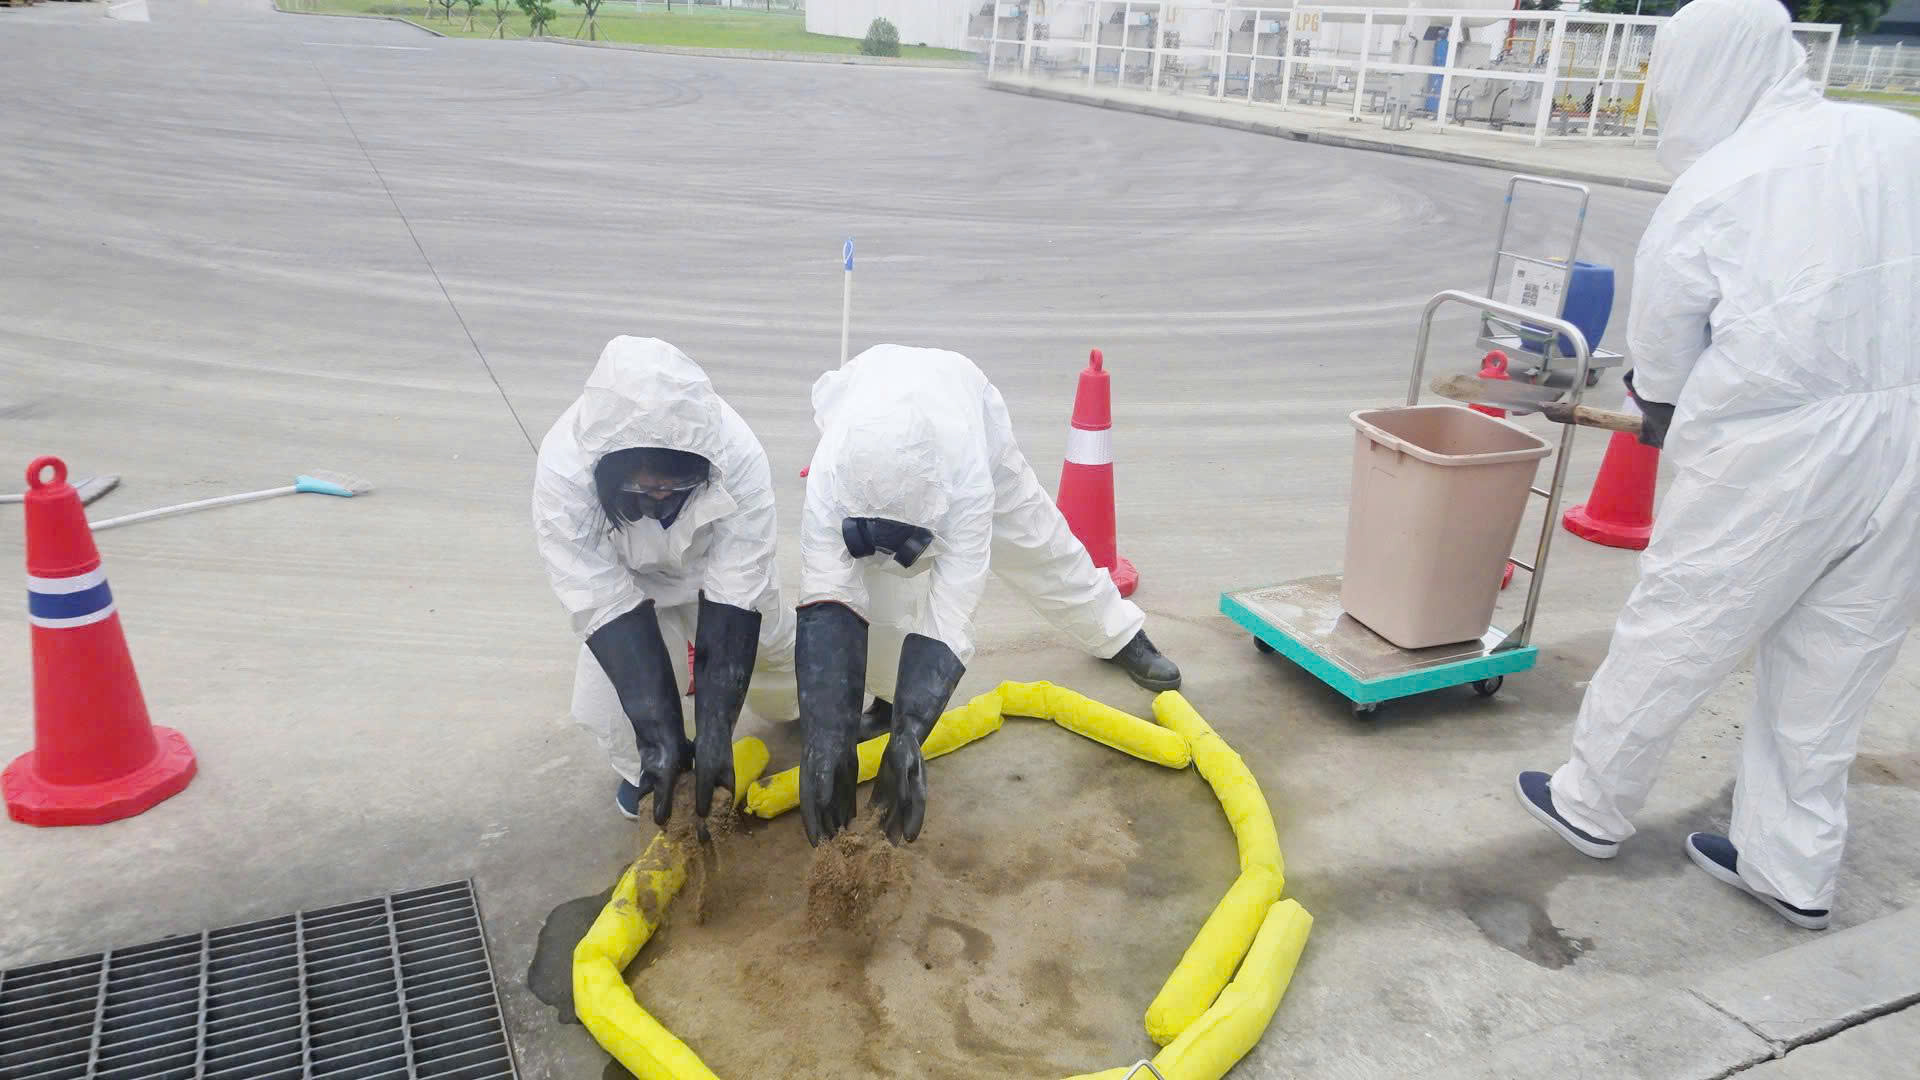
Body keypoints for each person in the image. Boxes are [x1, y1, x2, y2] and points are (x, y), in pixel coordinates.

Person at [1516, 0, 1920, 930]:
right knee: (1839, 655)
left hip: (1778, 444)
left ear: (1702, 72)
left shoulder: (1720, 181)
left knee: (1683, 621)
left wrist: (1664, 406)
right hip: (1911, 436)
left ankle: (1591, 802)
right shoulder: (1898, 139)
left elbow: (1662, 352)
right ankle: (1791, 867)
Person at [794, 344, 1183, 846]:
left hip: (964, 411)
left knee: (1039, 542)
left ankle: (1120, 632)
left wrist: (913, 734)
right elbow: (828, 599)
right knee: (876, 594)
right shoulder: (832, 479)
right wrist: (825, 737)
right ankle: (889, 699)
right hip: (871, 441)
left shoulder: (966, 480)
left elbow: (949, 615)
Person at [534, 337, 796, 826]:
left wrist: (717, 732)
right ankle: (649, 770)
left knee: (778, 653)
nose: (658, 496)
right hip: (627, 583)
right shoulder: (565, 466)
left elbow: (739, 580)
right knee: (612, 705)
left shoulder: (736, 452)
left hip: (712, 565)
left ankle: (797, 709)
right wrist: (660, 736)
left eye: (674, 486)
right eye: (642, 485)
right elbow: (598, 598)